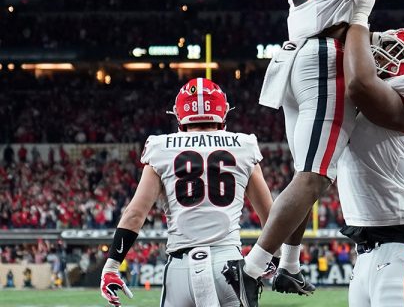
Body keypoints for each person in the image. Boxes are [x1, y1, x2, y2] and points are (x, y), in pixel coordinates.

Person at [245, 0, 404, 296]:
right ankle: (252, 270)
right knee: (313, 177)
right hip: (325, 56)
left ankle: (288, 264)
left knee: (305, 174)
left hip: (297, 56)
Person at [99, 78, 284, 307]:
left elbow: (135, 214)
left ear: (179, 114)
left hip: (180, 267)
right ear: (223, 111)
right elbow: (271, 216)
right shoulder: (243, 145)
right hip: (228, 265)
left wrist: (112, 265)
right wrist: (276, 258)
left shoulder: (161, 147)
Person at [336, 0, 404, 306]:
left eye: (394, 53)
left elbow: (360, 84)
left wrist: (359, 16)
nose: (381, 54)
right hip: (365, 247)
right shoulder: (368, 94)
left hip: (403, 243)